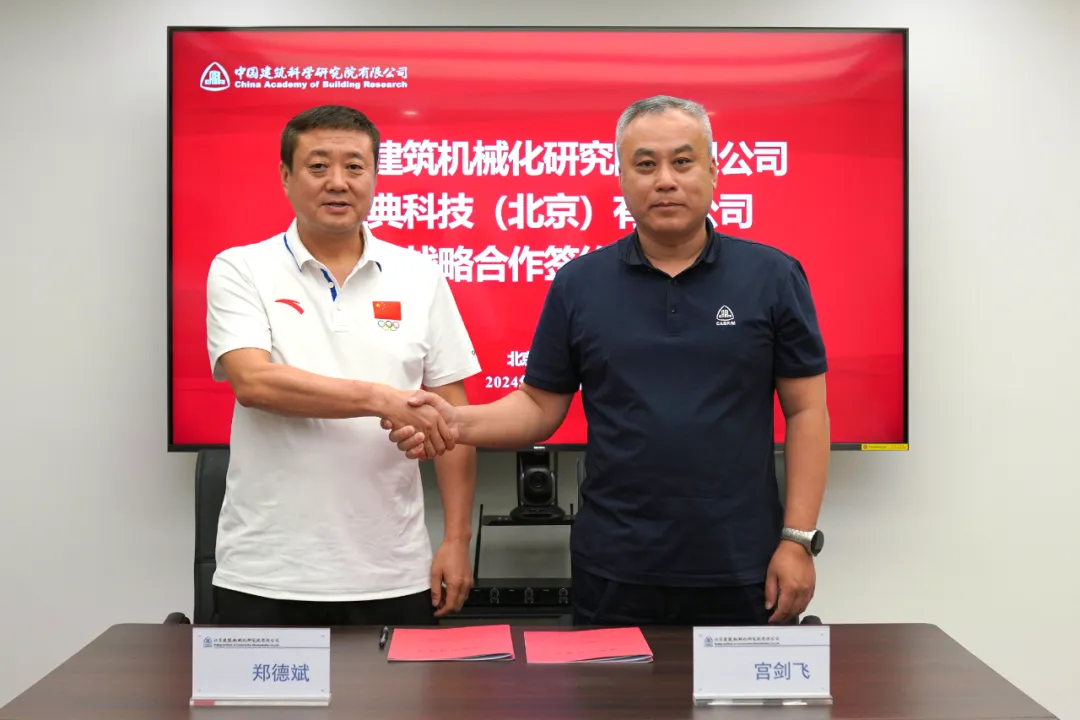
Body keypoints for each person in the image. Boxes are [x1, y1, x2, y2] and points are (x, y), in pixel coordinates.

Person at [383, 95, 830, 627]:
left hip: (744, 563)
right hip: (615, 566)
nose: (665, 180)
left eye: (682, 162)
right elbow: (539, 407)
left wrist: (797, 539)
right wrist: (454, 423)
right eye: (645, 164)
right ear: (621, 177)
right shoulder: (580, 283)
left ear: (713, 171)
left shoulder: (773, 277)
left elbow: (806, 411)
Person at [204, 104, 481, 627]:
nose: (338, 182)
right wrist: (381, 398)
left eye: (354, 166)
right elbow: (254, 382)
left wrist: (456, 539)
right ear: (286, 177)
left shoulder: (419, 275)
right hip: (268, 572)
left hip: (394, 571)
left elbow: (454, 419)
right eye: (318, 166)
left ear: (374, 176)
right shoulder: (242, 268)